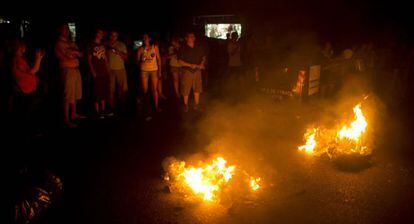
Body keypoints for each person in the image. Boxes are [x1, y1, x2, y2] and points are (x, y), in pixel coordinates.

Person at [11, 39, 45, 133]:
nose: (25, 48)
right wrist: (38, 59)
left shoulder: (19, 59)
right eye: (23, 46)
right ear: (20, 48)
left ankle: (29, 131)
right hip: (24, 93)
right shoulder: (17, 60)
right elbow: (32, 71)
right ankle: (29, 133)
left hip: (25, 92)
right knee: (28, 114)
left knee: (28, 113)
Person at [55, 24, 83, 128]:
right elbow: (61, 57)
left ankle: (74, 114)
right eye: (64, 29)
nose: (67, 31)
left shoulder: (71, 42)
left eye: (67, 29)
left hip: (75, 70)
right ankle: (66, 119)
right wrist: (72, 54)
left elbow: (81, 54)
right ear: (60, 30)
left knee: (75, 93)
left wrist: (72, 52)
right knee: (67, 95)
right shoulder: (59, 43)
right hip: (67, 71)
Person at [178, 32, 206, 112]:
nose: (192, 38)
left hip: (197, 71)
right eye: (190, 36)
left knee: (197, 89)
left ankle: (197, 105)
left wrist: (201, 64)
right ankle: (185, 105)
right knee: (186, 89)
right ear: (186, 38)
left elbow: (203, 57)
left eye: (193, 36)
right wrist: (190, 65)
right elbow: (180, 61)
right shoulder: (183, 48)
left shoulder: (198, 47)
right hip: (187, 71)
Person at [87, 29, 111, 118]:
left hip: (104, 71)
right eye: (100, 32)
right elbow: (89, 60)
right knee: (97, 91)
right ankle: (97, 112)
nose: (101, 34)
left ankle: (103, 110)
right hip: (96, 72)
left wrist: (107, 68)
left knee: (104, 91)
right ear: (96, 33)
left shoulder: (103, 45)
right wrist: (92, 71)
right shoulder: (91, 45)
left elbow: (106, 59)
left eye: (102, 33)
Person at [136, 34, 162, 112]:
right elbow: (137, 61)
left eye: (146, 38)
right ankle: (145, 105)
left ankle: (156, 106)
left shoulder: (155, 47)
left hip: (154, 70)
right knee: (145, 90)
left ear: (149, 39)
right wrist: (141, 60)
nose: (144, 39)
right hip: (144, 70)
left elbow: (159, 59)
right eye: (143, 38)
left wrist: (160, 71)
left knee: (154, 89)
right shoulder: (140, 49)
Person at [107, 30, 128, 112]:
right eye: (112, 35)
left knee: (122, 88)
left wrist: (117, 52)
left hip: (120, 69)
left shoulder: (121, 44)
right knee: (111, 89)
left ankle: (122, 105)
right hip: (110, 70)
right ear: (110, 36)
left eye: (115, 35)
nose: (113, 37)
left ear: (117, 36)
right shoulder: (106, 44)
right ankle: (111, 106)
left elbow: (126, 57)